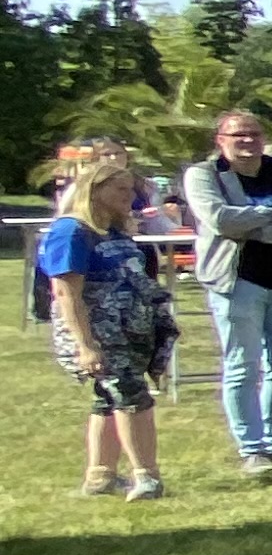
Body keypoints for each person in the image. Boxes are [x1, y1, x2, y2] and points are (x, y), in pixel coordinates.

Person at [184, 108, 272, 473]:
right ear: (220, 141)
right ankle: (251, 448)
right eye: (238, 135)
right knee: (243, 365)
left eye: (254, 134)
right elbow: (220, 219)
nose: (248, 141)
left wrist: (252, 223)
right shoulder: (204, 175)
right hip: (237, 280)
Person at [39, 150, 173, 499]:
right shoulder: (72, 231)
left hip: (131, 330)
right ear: (94, 191)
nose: (129, 198)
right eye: (120, 190)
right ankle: (147, 475)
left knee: (107, 399)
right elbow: (67, 294)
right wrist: (85, 345)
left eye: (131, 191)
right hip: (101, 333)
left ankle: (101, 475)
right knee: (132, 398)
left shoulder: (114, 231)